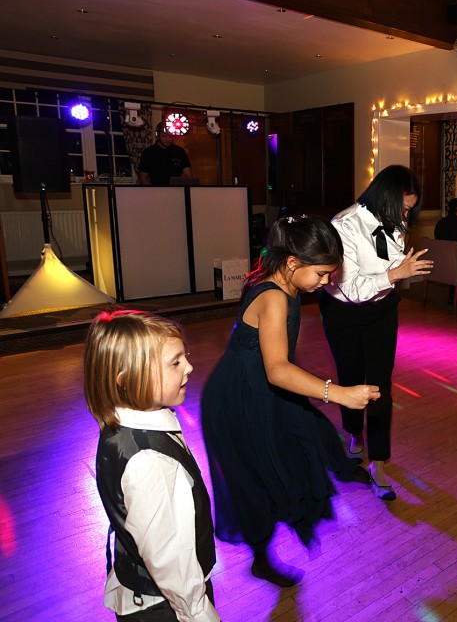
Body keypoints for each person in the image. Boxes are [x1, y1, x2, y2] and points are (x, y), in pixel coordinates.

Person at [201, 215, 380, 587]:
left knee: (307, 441)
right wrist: (339, 392)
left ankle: (340, 471)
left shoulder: (284, 285)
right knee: (257, 479)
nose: (326, 281)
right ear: (293, 263)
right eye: (321, 273)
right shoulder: (273, 297)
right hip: (238, 399)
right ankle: (261, 559)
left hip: (261, 390)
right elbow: (277, 369)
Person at [84, 310, 219, 621]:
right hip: (164, 609)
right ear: (127, 379)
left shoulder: (121, 424)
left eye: (185, 356)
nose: (189, 367)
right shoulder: (151, 464)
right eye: (175, 362)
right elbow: (174, 564)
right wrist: (200, 614)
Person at [319, 165, 433, 501]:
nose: (406, 216)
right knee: (351, 378)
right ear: (385, 196)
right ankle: (354, 432)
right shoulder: (344, 225)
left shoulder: (394, 223)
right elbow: (351, 288)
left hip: (382, 310)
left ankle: (379, 463)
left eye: (410, 210)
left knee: (380, 386)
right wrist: (396, 272)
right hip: (344, 312)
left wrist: (398, 272)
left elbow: (389, 273)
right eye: (404, 208)